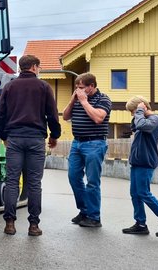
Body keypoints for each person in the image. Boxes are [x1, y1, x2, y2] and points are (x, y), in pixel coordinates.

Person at [0, 55, 61, 236]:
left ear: (21, 68)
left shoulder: (9, 87)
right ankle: (33, 225)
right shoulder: (44, 87)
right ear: (34, 67)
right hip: (35, 139)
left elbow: (1, 114)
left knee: (11, 182)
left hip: (15, 138)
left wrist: (4, 136)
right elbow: (52, 115)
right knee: (34, 183)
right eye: (39, 67)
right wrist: (54, 136)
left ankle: (9, 223)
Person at [121, 96, 158, 237]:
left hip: (146, 162)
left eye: (133, 111)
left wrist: (139, 111)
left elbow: (143, 126)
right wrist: (139, 114)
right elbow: (136, 125)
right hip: (138, 162)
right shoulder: (143, 119)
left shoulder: (156, 119)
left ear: (142, 107)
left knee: (144, 193)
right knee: (135, 193)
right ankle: (141, 224)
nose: (133, 114)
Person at [62, 72, 111, 227]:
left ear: (91, 86)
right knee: (73, 177)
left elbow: (98, 118)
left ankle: (94, 217)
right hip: (77, 143)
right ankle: (84, 210)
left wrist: (84, 102)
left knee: (92, 182)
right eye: (77, 87)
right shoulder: (77, 99)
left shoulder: (103, 99)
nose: (78, 90)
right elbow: (65, 116)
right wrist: (72, 101)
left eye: (82, 87)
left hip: (94, 144)